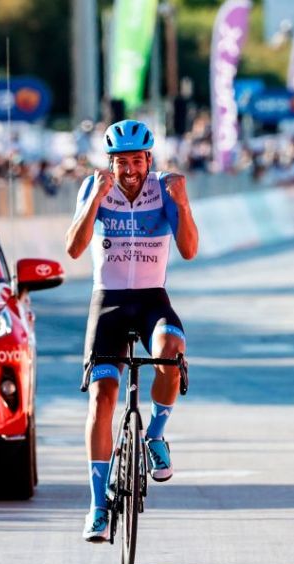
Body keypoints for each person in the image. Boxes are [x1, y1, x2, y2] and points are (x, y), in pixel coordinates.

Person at [65, 119, 199, 542]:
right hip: (107, 301)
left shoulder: (165, 188)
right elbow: (73, 248)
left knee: (170, 349)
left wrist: (183, 203)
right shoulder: (95, 187)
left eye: (136, 160)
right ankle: (98, 507)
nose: (129, 169)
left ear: (148, 159)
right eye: (121, 162)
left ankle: (155, 435)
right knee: (103, 397)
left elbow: (191, 250)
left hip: (151, 299)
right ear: (110, 163)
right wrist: (95, 201)